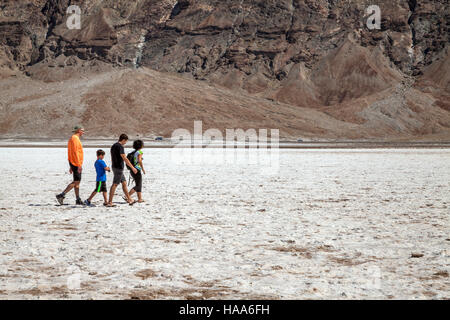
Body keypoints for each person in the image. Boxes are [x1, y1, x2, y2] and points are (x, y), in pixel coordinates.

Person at [56, 125, 85, 205]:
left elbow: (70, 152)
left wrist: (70, 164)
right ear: (79, 130)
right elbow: (75, 152)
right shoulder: (75, 139)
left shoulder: (73, 138)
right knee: (76, 182)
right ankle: (61, 195)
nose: (83, 132)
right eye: (82, 130)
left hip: (73, 162)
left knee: (77, 182)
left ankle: (78, 199)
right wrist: (78, 164)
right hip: (76, 163)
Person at [107, 134, 137, 207]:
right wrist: (132, 167)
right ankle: (109, 202)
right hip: (118, 168)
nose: (125, 143)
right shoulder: (120, 147)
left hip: (115, 167)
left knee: (124, 183)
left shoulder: (114, 146)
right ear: (123, 140)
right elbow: (124, 158)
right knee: (115, 184)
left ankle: (129, 199)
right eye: (125, 141)